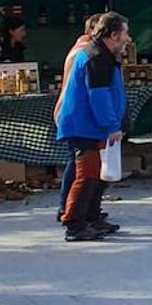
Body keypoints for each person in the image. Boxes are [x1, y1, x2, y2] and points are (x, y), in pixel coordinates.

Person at [56, 12, 130, 242]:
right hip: (85, 126)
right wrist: (110, 125)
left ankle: (91, 217)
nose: (128, 38)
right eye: (126, 33)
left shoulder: (103, 55)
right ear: (115, 35)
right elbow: (98, 96)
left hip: (90, 125)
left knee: (99, 176)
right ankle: (74, 224)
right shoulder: (96, 57)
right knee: (87, 175)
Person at [54, 14, 101, 226]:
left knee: (76, 164)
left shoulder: (80, 48)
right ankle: (67, 209)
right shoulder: (85, 52)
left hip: (69, 111)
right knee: (77, 166)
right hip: (73, 113)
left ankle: (73, 208)